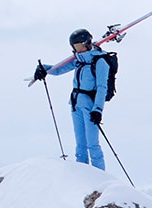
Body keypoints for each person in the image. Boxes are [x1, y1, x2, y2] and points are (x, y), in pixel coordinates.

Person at [34, 29, 112, 170]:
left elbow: (102, 87)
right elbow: (58, 70)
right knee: (80, 145)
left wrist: (98, 109)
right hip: (76, 105)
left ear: (86, 43)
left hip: (90, 106)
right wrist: (44, 69)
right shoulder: (79, 60)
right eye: (74, 47)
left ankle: (100, 178)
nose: (76, 50)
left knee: (92, 145)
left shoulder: (100, 61)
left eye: (78, 46)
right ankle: (82, 177)